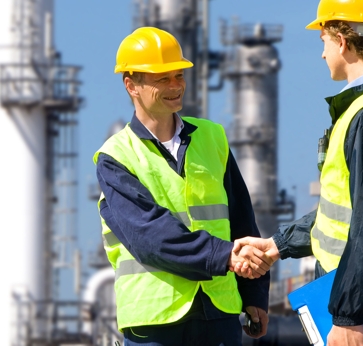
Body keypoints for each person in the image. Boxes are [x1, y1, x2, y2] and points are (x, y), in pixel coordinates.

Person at [233, 1, 363, 345]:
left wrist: (349, 316)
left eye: (324, 42)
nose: (322, 54)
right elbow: (345, 216)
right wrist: (277, 245)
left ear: (342, 42)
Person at [94, 27, 277, 345]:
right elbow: (150, 237)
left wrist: (254, 293)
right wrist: (225, 256)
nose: (176, 86)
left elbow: (242, 221)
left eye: (179, 76)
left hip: (219, 312)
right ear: (131, 85)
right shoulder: (115, 157)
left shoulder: (212, 137)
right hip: (155, 321)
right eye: (163, 79)